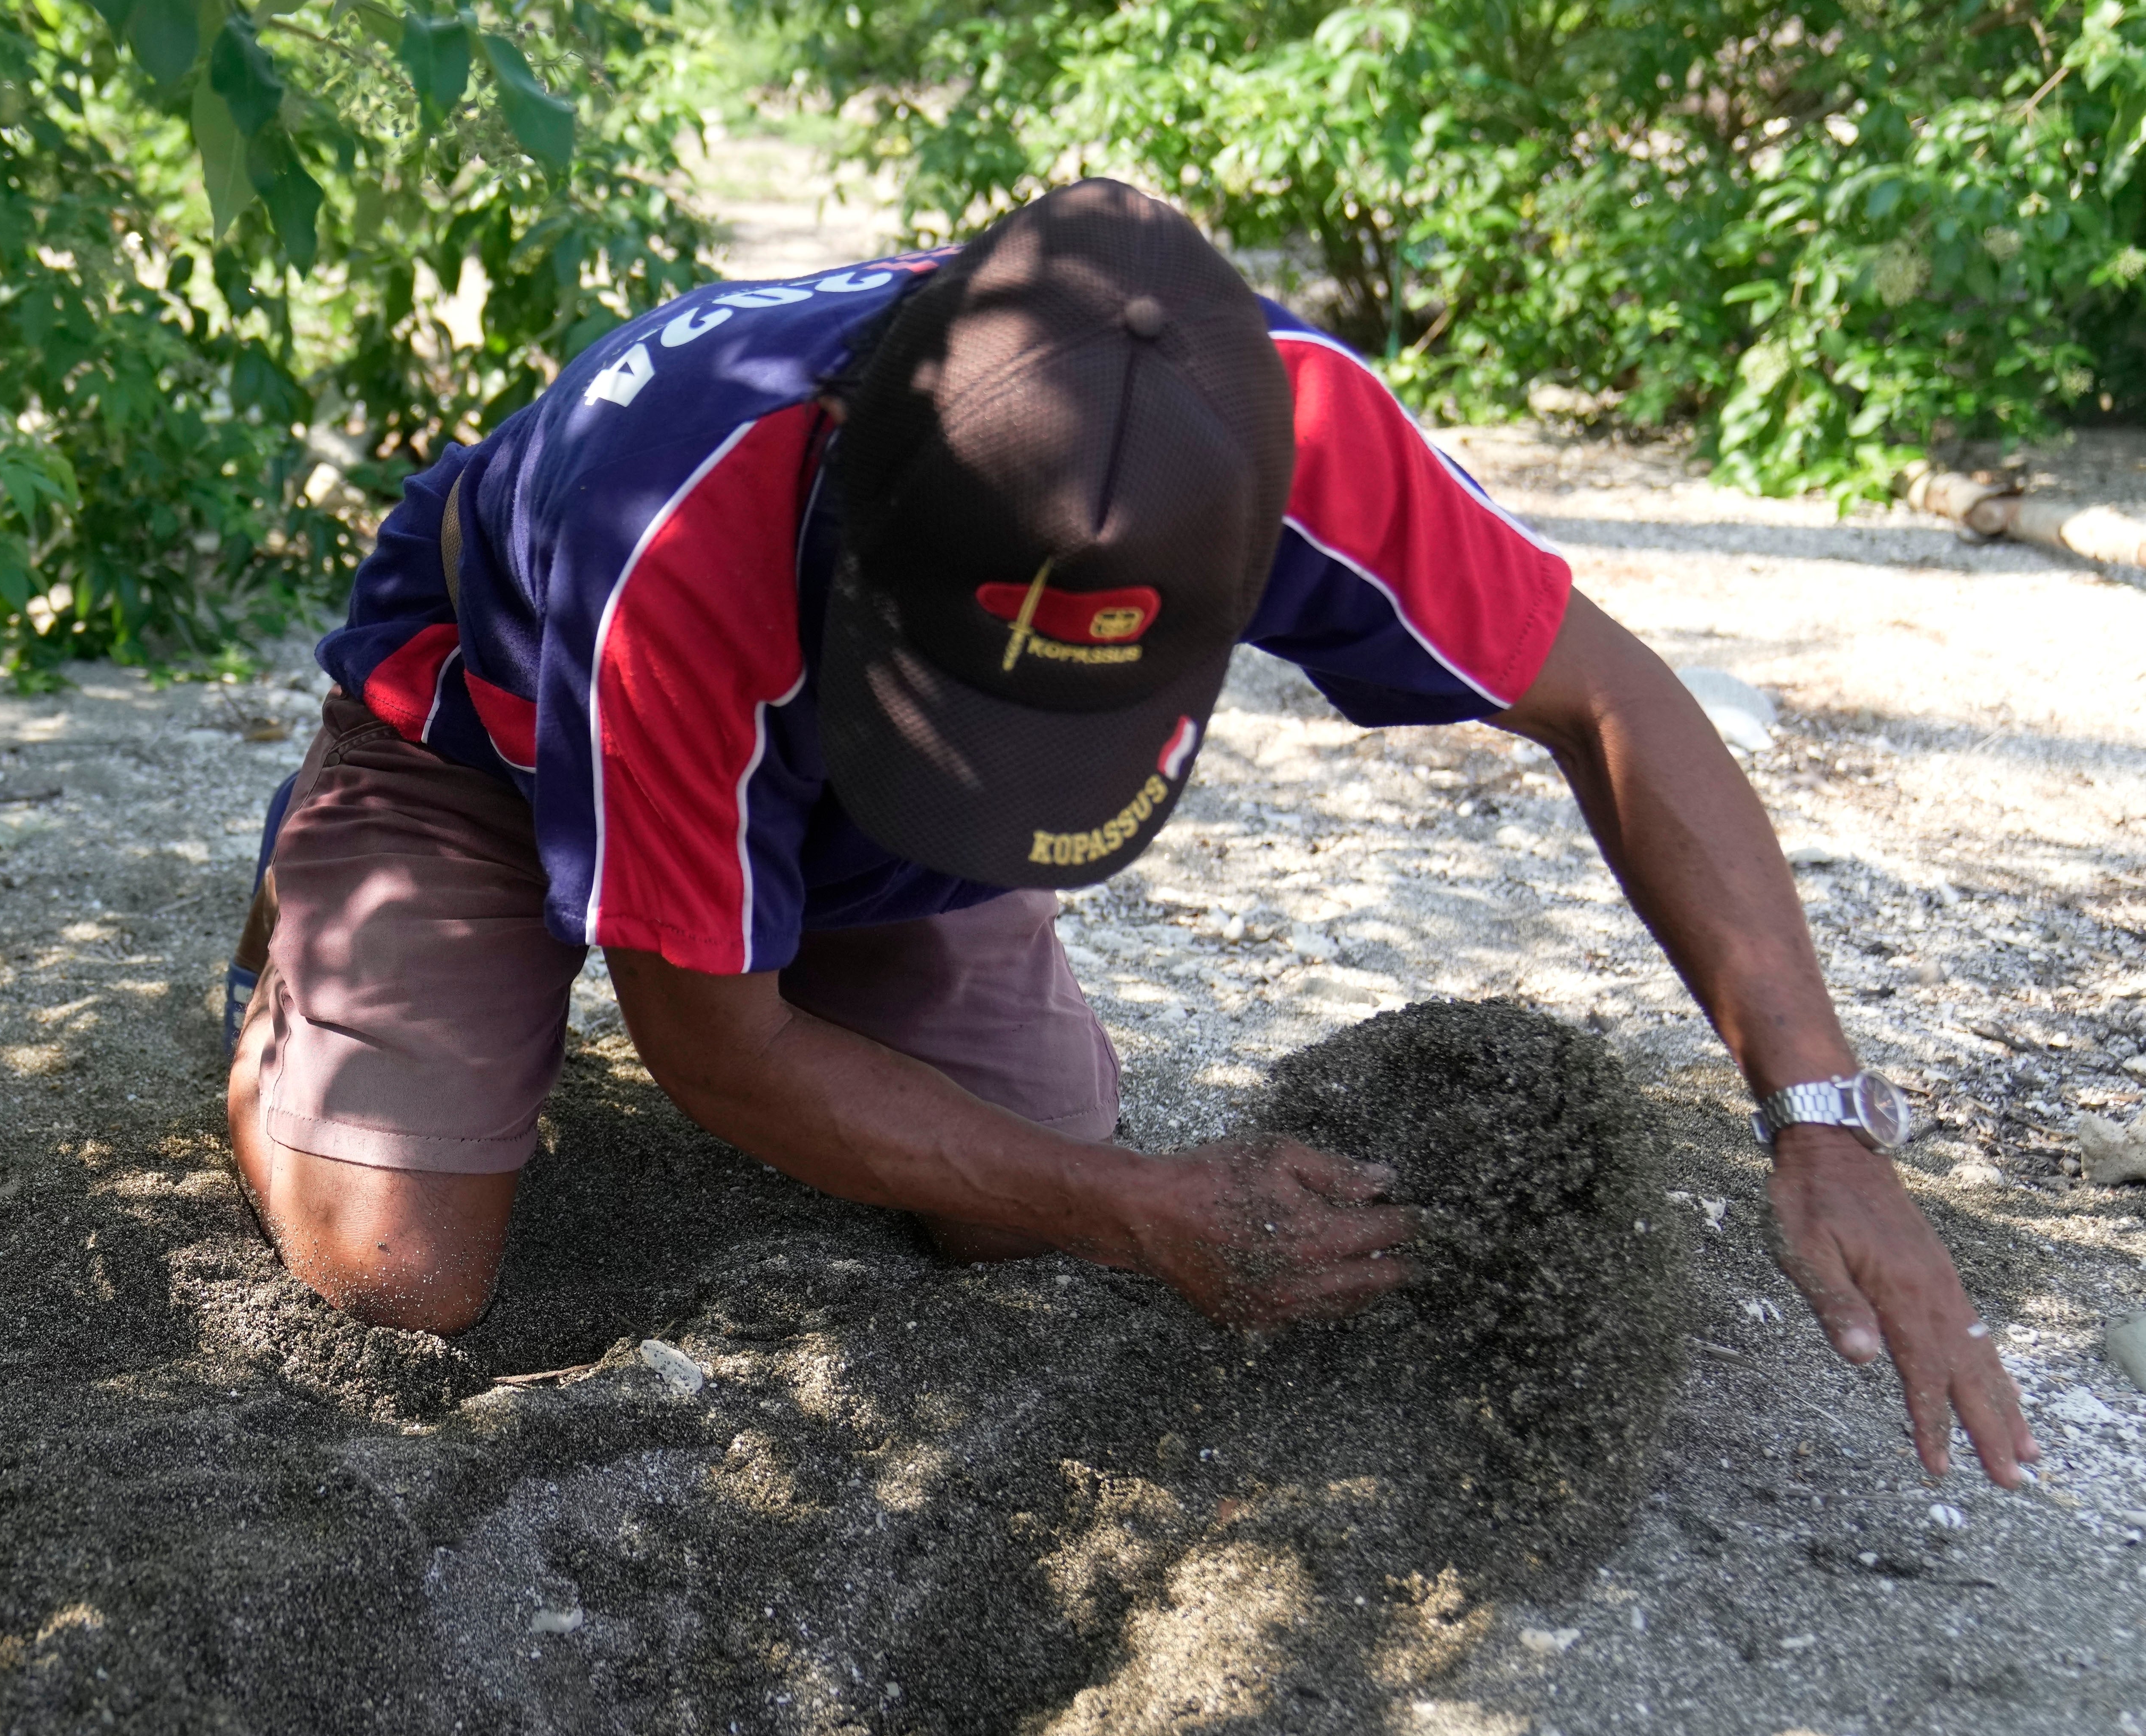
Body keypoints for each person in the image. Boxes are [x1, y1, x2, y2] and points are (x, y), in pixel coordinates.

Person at [225, 181, 2032, 1488]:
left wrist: (1818, 1119)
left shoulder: (1286, 429)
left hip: (871, 810)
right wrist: (1136, 1205)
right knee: (394, 1277)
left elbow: (1616, 707)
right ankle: (318, 904)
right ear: (854, 471)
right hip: (482, 738)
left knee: (1017, 1230)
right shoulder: (679, 522)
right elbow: (714, 1045)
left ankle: (914, 839)